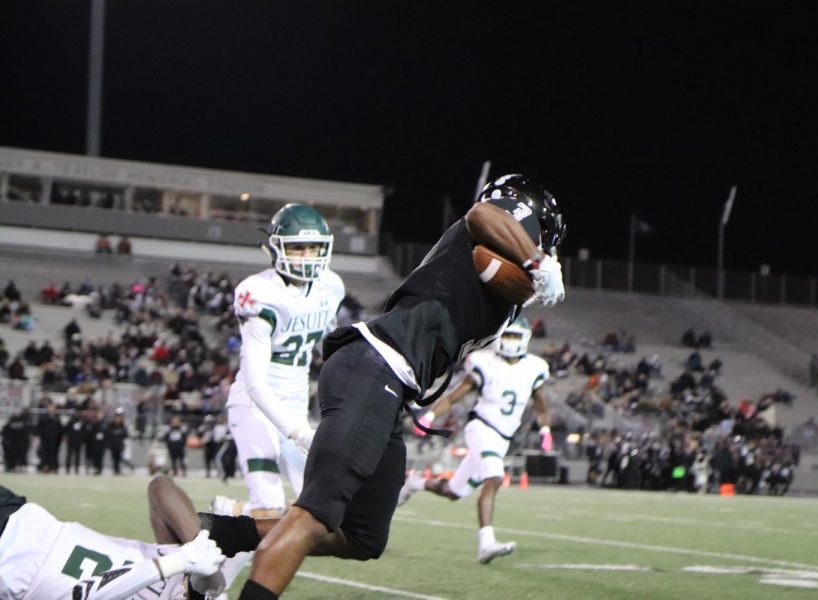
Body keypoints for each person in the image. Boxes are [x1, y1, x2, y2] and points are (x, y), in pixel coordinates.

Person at [236, 173, 566, 599]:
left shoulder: (491, 269)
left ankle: (221, 533)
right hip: (376, 367)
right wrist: (539, 262)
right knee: (315, 513)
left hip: (388, 382)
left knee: (363, 536)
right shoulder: (501, 219)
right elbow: (483, 213)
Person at [216, 203, 345, 518]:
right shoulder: (259, 292)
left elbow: (333, 343)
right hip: (255, 405)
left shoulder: (330, 287)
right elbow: (255, 382)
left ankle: (232, 513)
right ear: (275, 248)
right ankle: (234, 520)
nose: (306, 256)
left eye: (313, 247)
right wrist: (298, 432)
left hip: (295, 401)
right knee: (269, 508)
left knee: (320, 509)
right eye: (297, 247)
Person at [396, 316, 552, 564]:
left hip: (503, 437)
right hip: (481, 427)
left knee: (454, 492)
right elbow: (454, 395)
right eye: (507, 335)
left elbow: (542, 407)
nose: (510, 341)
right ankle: (486, 543)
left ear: (526, 339)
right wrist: (431, 416)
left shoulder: (535, 367)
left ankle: (416, 484)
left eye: (515, 336)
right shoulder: (484, 362)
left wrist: (545, 431)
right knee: (495, 477)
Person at [0, 475, 228, 599]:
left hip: (11, 568)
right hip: (27, 519)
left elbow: (84, 594)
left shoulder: (181, 563)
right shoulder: (192, 564)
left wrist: (179, 561)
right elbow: (161, 486)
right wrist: (200, 545)